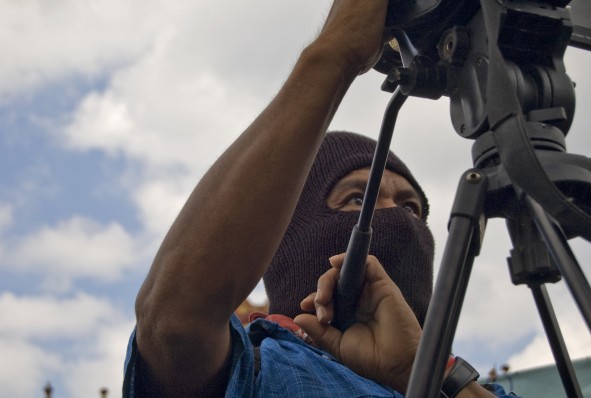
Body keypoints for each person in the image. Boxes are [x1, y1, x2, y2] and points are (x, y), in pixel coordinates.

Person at [123, 0, 518, 397]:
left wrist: (419, 372)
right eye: (356, 199)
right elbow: (173, 325)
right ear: (282, 234)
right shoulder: (256, 371)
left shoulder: (467, 389)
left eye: (412, 208)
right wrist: (336, 52)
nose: (396, 217)